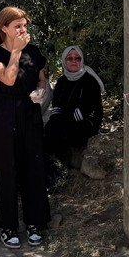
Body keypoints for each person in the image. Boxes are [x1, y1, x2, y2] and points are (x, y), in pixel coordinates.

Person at [0, 7, 50, 247]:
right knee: (7, 172)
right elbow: (8, 79)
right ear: (4, 29)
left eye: (25, 26)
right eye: (17, 27)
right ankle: (9, 226)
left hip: (29, 114)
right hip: (3, 116)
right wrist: (15, 52)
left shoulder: (34, 52)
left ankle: (35, 222)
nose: (23, 30)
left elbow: (42, 78)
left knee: (32, 169)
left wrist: (41, 90)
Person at [43, 46, 104, 181]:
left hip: (85, 124)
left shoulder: (89, 81)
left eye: (77, 58)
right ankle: (50, 174)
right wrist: (61, 117)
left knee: (59, 129)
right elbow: (57, 106)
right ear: (64, 61)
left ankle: (61, 171)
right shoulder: (62, 81)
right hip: (65, 122)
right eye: (69, 58)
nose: (74, 61)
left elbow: (90, 110)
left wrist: (66, 116)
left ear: (81, 60)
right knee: (50, 128)